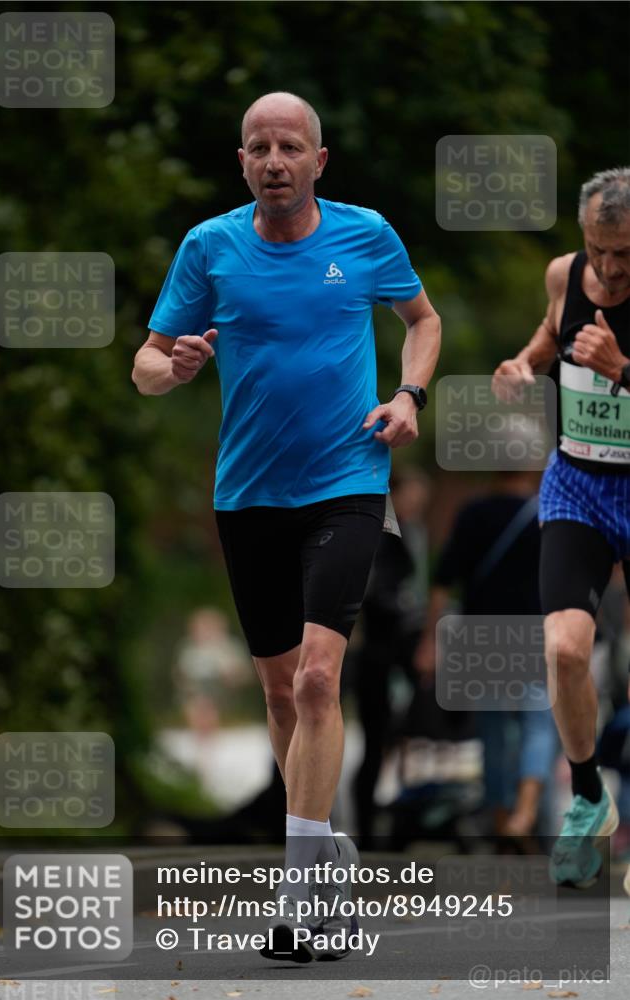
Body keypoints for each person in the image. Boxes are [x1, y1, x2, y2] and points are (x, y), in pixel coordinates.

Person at [132, 91, 441, 961]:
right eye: (258, 147)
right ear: (242, 162)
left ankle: (304, 895)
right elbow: (144, 368)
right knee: (277, 693)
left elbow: (422, 321)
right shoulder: (209, 247)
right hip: (248, 497)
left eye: (289, 147)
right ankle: (326, 856)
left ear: (318, 159)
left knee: (314, 681)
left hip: (347, 480)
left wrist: (408, 396)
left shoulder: (365, 235)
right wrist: (176, 363)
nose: (274, 160)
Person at [491, 167, 630, 888]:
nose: (607, 269)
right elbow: (550, 333)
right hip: (577, 482)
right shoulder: (564, 274)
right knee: (566, 650)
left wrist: (623, 369)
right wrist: (522, 364)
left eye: (624, 256)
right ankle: (585, 798)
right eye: (596, 250)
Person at [414, 469, 559, 842]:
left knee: (492, 730)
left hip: (483, 636)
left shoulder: (473, 513)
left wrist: (431, 640)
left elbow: (443, 582)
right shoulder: (549, 511)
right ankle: (524, 814)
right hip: (534, 633)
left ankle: (499, 817)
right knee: (538, 725)